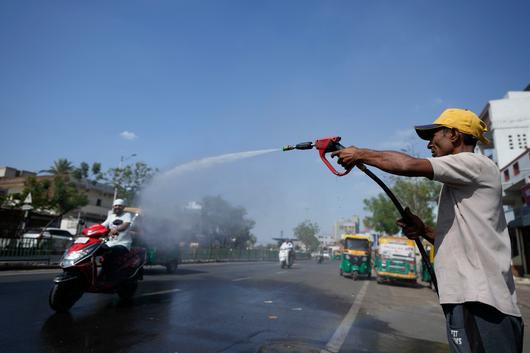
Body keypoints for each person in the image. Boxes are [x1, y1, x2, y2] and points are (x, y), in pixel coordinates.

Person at [331, 108, 523, 353]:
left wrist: (360, 154)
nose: (430, 143)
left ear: (454, 135)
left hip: (483, 304)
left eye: (434, 136)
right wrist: (423, 230)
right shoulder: (462, 181)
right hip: (470, 300)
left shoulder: (475, 163)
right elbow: (458, 239)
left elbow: (408, 165)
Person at [101, 198, 133, 280]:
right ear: (113, 206)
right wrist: (91, 229)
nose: (117, 207)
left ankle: (109, 277)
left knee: (110, 253)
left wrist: (117, 229)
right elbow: (102, 226)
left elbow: (125, 225)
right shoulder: (111, 216)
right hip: (110, 243)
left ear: (123, 207)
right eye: (116, 205)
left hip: (122, 244)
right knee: (94, 250)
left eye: (120, 205)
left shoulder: (127, 215)